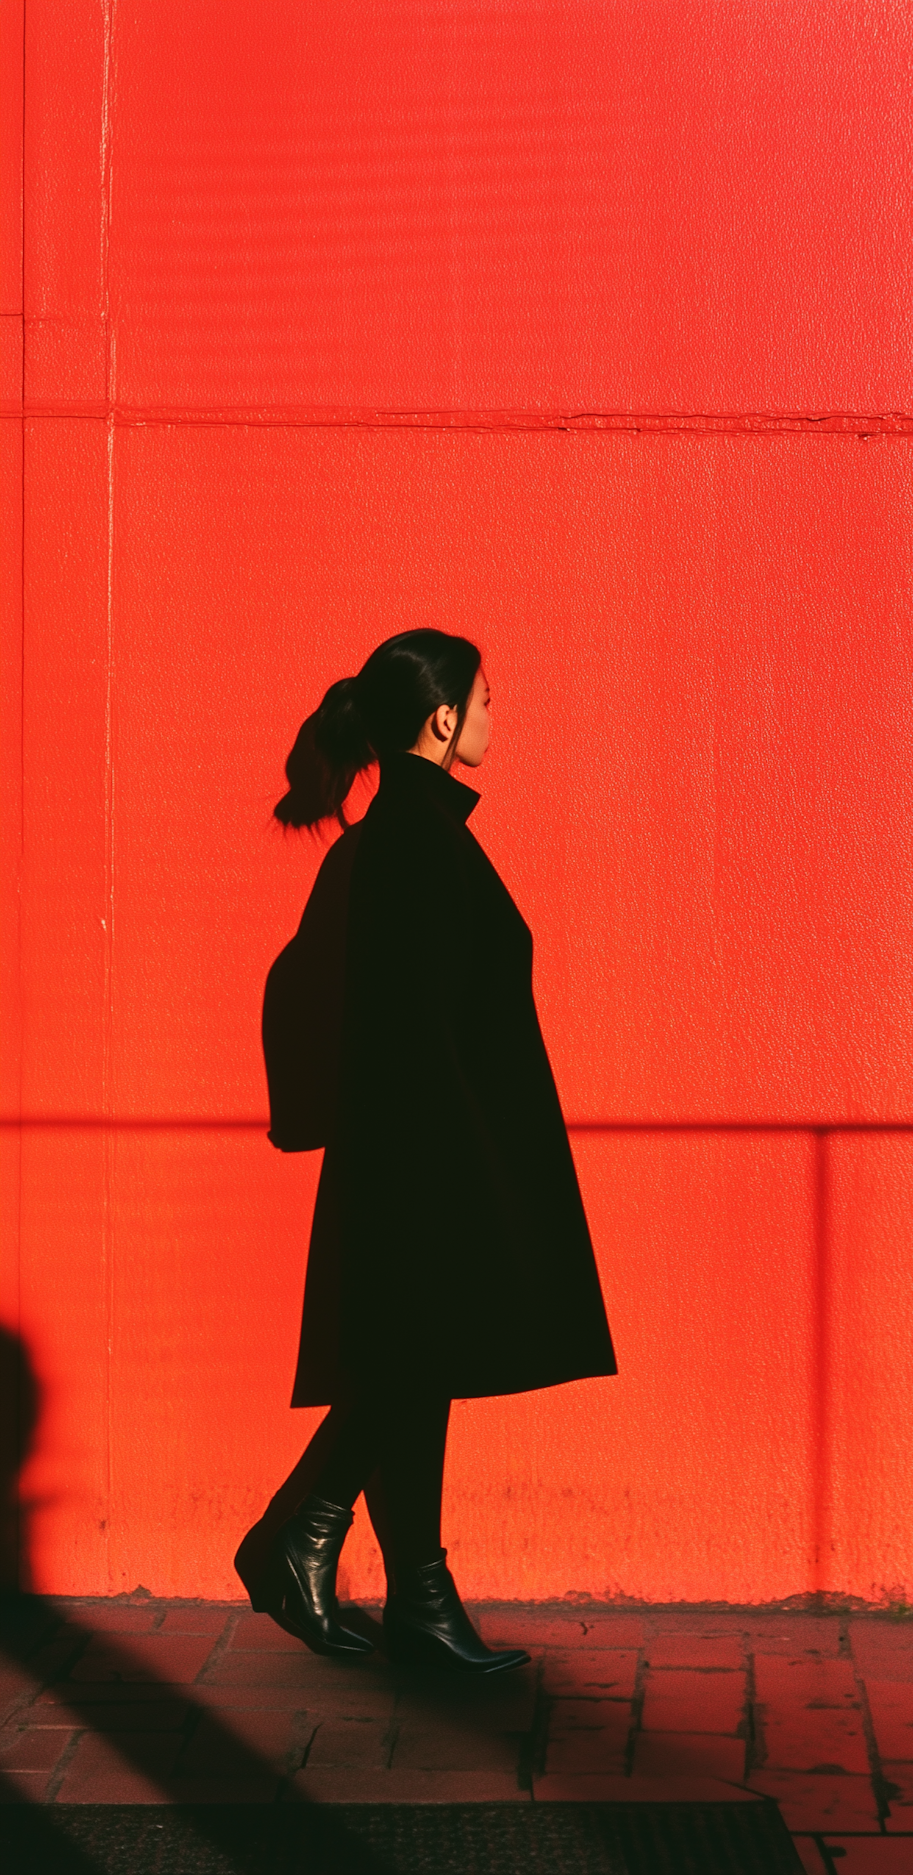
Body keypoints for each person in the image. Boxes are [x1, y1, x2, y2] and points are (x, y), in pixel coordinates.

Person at [237, 629, 617, 1674]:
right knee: (415, 1358)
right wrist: (465, 1164)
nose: (496, 718)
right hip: (431, 1150)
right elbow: (410, 1021)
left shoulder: (404, 832)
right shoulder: (413, 836)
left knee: (416, 1359)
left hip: (424, 1143)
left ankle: (406, 1591)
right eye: (486, 701)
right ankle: (307, 1536)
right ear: (443, 719)